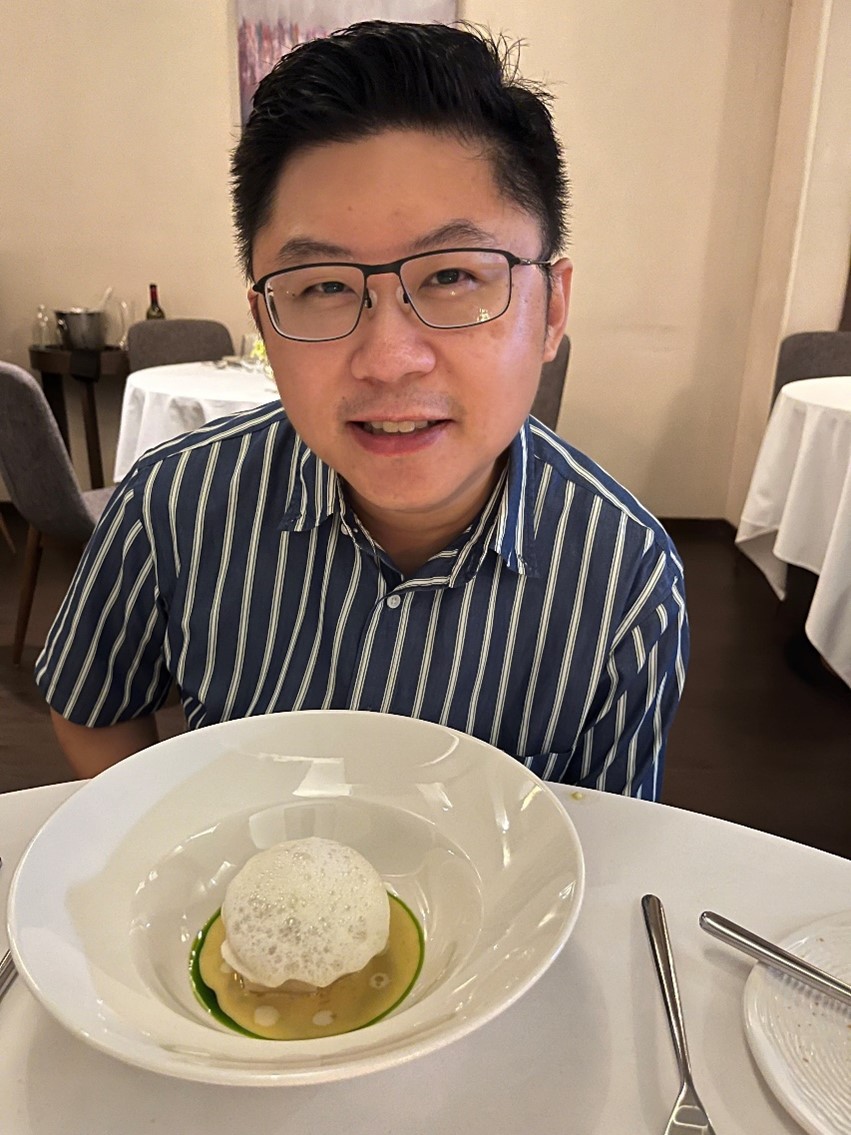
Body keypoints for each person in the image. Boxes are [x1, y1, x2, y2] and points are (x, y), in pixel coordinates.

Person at [36, 21, 688, 795]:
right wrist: (175, 842)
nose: (388, 359)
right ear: (263, 320)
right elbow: (91, 706)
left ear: (550, 311)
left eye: (452, 276)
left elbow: (615, 839)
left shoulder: (624, 574)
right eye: (322, 286)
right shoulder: (173, 503)